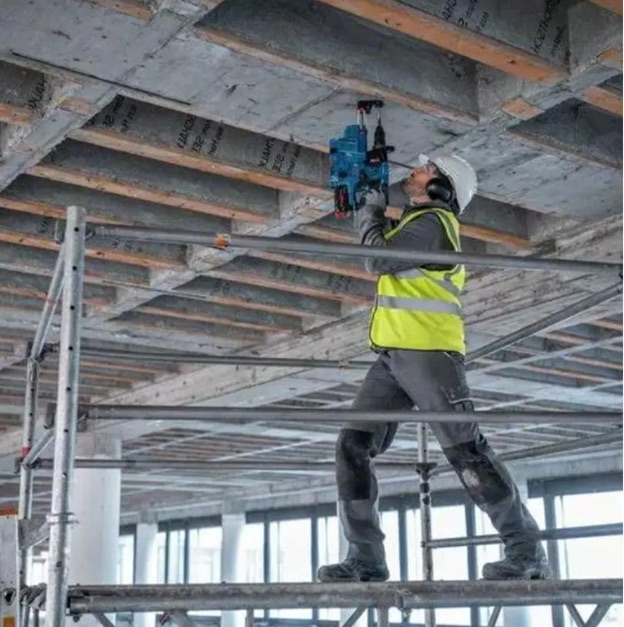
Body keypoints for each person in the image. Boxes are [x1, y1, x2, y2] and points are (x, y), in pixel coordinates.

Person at [317, 154, 550, 582]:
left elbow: (375, 258)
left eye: (427, 170)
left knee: (467, 451)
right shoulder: (414, 225)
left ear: (443, 189)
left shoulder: (437, 225)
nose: (416, 171)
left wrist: (369, 208)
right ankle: (366, 559)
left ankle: (526, 551)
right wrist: (368, 197)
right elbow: (382, 238)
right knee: (351, 445)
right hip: (393, 357)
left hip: (429, 355)